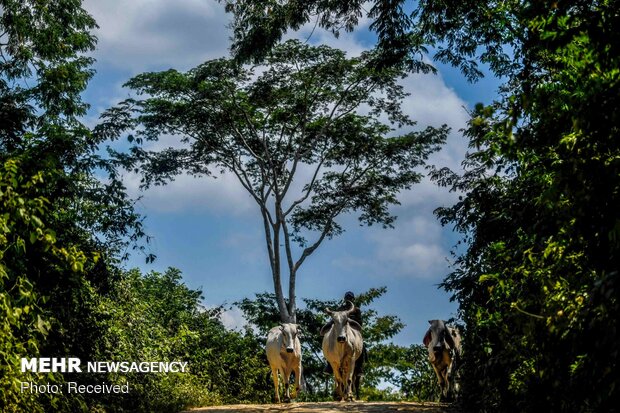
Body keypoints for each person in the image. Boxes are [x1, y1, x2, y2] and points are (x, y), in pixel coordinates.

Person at [321, 291, 368, 398]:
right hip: (339, 331)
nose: (349, 300)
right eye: (347, 298)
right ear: (344, 298)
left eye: (350, 298)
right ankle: (329, 364)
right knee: (330, 343)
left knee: (362, 346)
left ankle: (360, 367)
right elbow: (334, 319)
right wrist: (330, 324)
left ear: (353, 299)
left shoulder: (356, 310)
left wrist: (349, 321)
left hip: (351, 329)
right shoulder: (339, 309)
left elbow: (359, 323)